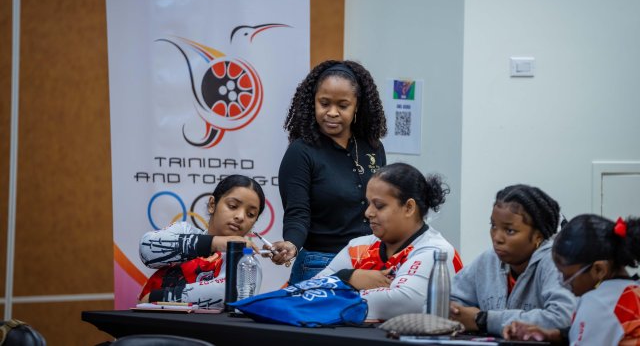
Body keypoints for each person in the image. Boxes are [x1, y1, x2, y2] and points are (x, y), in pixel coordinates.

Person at [270, 60, 387, 284]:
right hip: (320, 264)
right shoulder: (301, 152)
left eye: (342, 105)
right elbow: (298, 213)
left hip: (368, 262)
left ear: (357, 106)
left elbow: (382, 206)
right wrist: (291, 244)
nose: (332, 112)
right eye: (324, 103)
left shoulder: (373, 148)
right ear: (313, 102)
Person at [314, 163, 462, 321]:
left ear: (409, 207)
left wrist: (337, 289)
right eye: (368, 203)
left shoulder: (436, 251)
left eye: (379, 206)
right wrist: (349, 277)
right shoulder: (358, 247)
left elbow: (403, 302)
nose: (368, 212)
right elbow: (308, 291)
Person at [449, 184, 576, 335]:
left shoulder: (554, 263)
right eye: (493, 226)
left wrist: (484, 320)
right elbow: (446, 300)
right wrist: (454, 311)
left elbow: (563, 318)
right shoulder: (488, 260)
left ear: (538, 236)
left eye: (510, 230)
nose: (497, 238)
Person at [503, 214, 640, 345]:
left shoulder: (597, 302)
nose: (564, 283)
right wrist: (552, 335)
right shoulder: (630, 291)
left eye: (568, 276)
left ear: (599, 270)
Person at [137, 175, 266, 309]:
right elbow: (146, 249)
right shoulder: (184, 231)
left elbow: (228, 292)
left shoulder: (246, 261)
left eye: (250, 214)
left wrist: (157, 298)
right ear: (212, 204)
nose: (240, 216)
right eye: (233, 206)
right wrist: (215, 243)